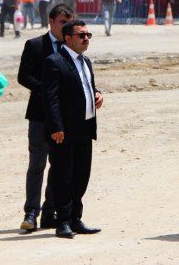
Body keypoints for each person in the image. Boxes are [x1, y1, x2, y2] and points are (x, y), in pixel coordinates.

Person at [42, 19, 104, 239]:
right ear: (68, 38)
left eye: (88, 35)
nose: (86, 39)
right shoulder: (54, 62)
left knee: (81, 175)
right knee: (63, 176)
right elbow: (51, 99)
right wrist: (56, 127)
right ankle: (63, 221)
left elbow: (85, 85)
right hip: (64, 132)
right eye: (81, 35)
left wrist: (97, 94)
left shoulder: (85, 61)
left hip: (85, 127)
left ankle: (76, 218)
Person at [16, 3, 74, 232]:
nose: (65, 26)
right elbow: (23, 76)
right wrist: (47, 90)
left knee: (59, 166)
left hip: (65, 117)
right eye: (62, 22)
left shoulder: (73, 46)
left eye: (69, 22)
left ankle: (50, 211)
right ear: (51, 21)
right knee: (37, 164)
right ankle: (31, 212)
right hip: (40, 115)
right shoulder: (35, 45)